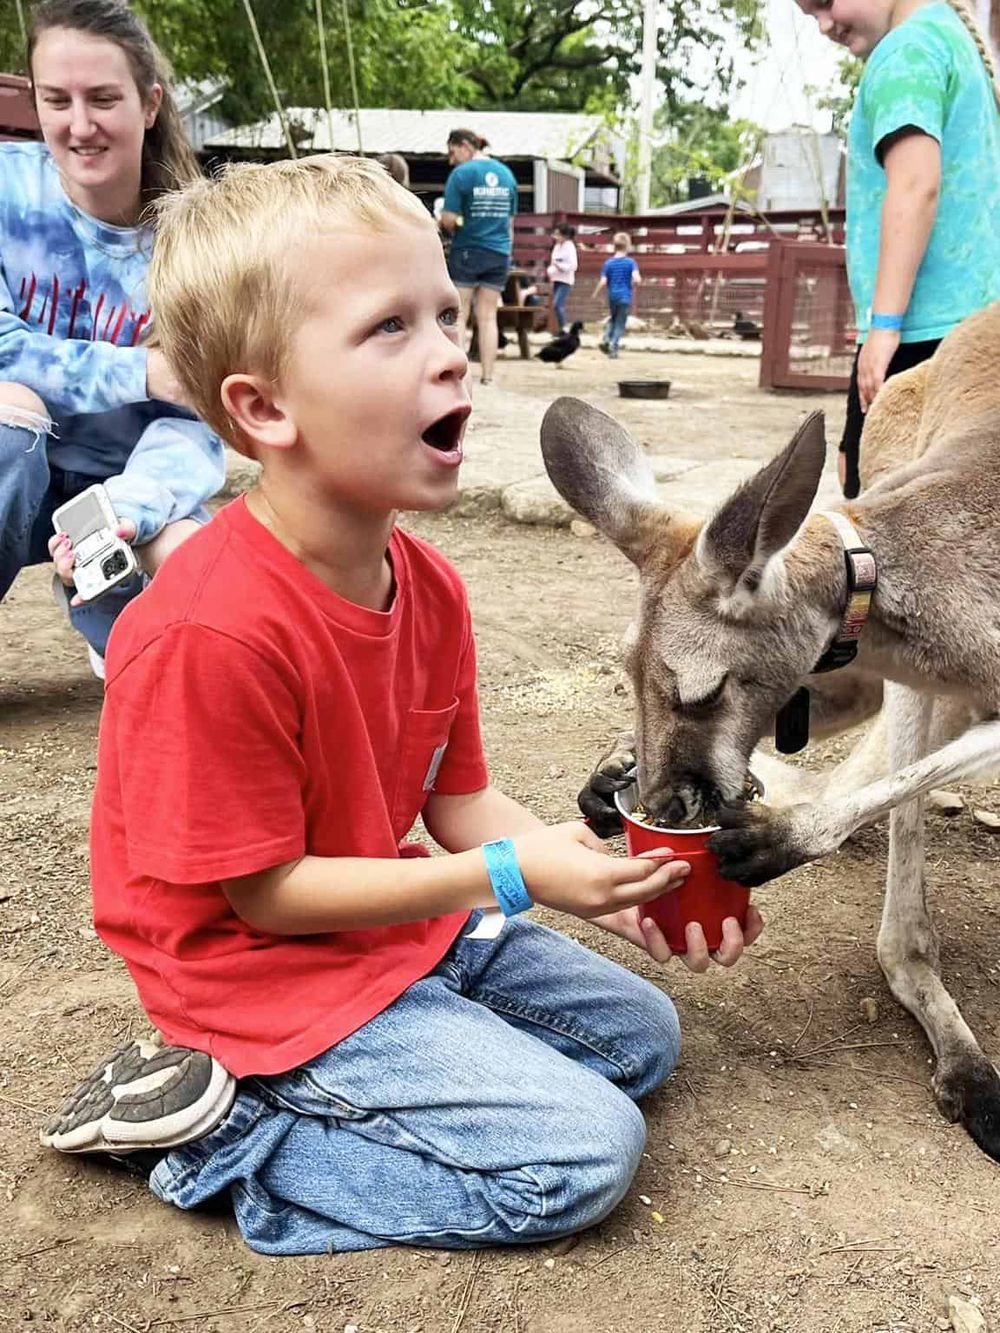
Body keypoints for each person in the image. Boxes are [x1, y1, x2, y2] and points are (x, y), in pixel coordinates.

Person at [39, 155, 763, 1256]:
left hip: (386, 930)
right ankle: (218, 1131)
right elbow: (270, 897)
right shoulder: (208, 631)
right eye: (391, 328)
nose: (449, 350)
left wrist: (611, 890)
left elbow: (461, 801)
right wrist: (517, 880)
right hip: (254, 975)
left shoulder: (430, 588)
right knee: (579, 1155)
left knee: (641, 1038)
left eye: (442, 313)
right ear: (264, 405)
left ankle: (408, 1053)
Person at [0, 0, 225, 674]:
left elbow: (199, 423)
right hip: (14, 460)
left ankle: (114, 624)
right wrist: (140, 371)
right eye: (55, 100)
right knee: (13, 415)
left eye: (102, 98)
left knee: (204, 573)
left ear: (149, 104)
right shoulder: (7, 190)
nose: (79, 125)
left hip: (115, 490)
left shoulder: (197, 240)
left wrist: (127, 512)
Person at [795, 0, 1000, 498]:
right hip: (976, 324)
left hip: (919, 329)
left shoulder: (904, 51)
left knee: (872, 491)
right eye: (810, 15)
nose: (825, 25)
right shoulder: (952, 38)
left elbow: (915, 185)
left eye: (825, 3)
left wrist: (883, 328)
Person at [439, 128, 518, 386]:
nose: (451, 160)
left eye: (452, 152)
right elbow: (510, 222)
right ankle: (488, 376)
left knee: (460, 315)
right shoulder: (507, 175)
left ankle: (461, 378)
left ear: (464, 146)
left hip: (468, 250)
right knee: (488, 317)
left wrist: (457, 224)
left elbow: (448, 219)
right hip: (499, 252)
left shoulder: (461, 175)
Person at [592, 232, 641, 360]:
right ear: (628, 246)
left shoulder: (608, 263)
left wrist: (595, 293)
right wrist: (633, 284)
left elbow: (603, 281)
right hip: (624, 296)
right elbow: (637, 279)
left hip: (612, 296)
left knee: (613, 319)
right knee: (620, 323)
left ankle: (606, 339)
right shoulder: (631, 262)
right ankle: (613, 346)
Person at [546, 222, 578, 333]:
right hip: (556, 278)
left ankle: (564, 328)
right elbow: (552, 261)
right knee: (556, 305)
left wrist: (559, 265)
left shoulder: (569, 247)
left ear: (564, 236)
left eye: (557, 234)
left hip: (565, 279)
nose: (554, 236)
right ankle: (562, 329)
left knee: (557, 304)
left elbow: (573, 265)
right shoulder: (557, 246)